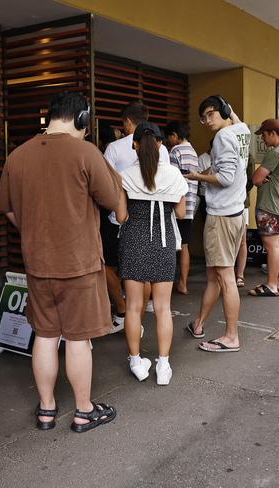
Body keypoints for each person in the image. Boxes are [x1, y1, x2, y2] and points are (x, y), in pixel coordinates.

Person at [0, 91, 120, 434]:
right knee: (78, 339)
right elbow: (111, 201)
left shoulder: (18, 155)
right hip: (79, 263)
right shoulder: (85, 152)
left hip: (37, 263)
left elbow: (5, 206)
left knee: (45, 335)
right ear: (81, 119)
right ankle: (84, 411)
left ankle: (47, 409)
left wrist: (30, 230)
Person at [117, 122, 186, 384]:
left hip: (133, 240)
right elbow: (180, 214)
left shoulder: (123, 176)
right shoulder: (174, 175)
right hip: (163, 241)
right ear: (160, 144)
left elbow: (122, 216)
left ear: (134, 145)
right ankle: (164, 366)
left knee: (134, 308)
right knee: (163, 308)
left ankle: (136, 362)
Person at [185, 95, 250, 353]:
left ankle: (231, 336)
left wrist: (196, 176)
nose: (207, 121)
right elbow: (237, 119)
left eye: (211, 114)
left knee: (225, 278)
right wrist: (229, 111)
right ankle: (198, 324)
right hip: (235, 213)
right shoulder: (241, 129)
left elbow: (224, 178)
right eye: (204, 117)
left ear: (222, 111)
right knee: (214, 276)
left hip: (221, 215)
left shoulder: (223, 137)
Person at [102, 102, 169, 333]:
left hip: (123, 224)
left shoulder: (114, 148)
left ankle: (123, 313)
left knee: (108, 266)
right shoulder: (163, 150)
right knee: (149, 279)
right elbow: (175, 203)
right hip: (157, 226)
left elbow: (107, 185)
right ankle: (137, 322)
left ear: (128, 123)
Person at [249, 119, 279, 296]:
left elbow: (256, 179)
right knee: (277, 244)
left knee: (272, 245)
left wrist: (261, 179)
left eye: (264, 135)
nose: (263, 139)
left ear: (273, 133)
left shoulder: (275, 153)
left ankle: (272, 285)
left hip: (270, 205)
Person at [164, 121, 199, 295]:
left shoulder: (175, 151)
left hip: (177, 205)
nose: (168, 141)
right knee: (184, 245)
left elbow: (172, 180)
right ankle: (183, 283)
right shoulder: (193, 152)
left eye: (169, 137)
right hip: (190, 205)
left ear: (175, 135)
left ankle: (167, 284)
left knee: (170, 246)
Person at [235, 154, 256, 288]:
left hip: (242, 203)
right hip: (226, 204)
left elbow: (251, 181)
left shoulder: (248, 156)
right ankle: (229, 274)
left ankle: (240, 274)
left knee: (242, 241)